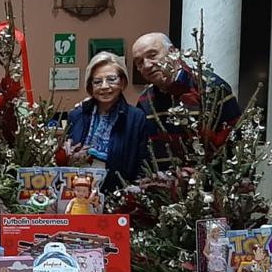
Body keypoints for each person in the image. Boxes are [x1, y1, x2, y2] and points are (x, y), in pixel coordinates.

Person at [130, 32, 242, 170]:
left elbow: (236, 141)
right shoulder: (145, 100)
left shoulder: (211, 88)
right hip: (162, 187)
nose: (146, 65)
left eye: (152, 55)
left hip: (209, 186)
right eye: (139, 62)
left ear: (172, 52)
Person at [63, 52, 150, 192]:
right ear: (90, 86)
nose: (104, 86)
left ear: (122, 82)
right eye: (97, 82)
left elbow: (143, 162)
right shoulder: (77, 115)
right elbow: (64, 156)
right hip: (78, 193)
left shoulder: (135, 117)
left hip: (119, 195)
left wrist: (134, 193)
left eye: (111, 79)